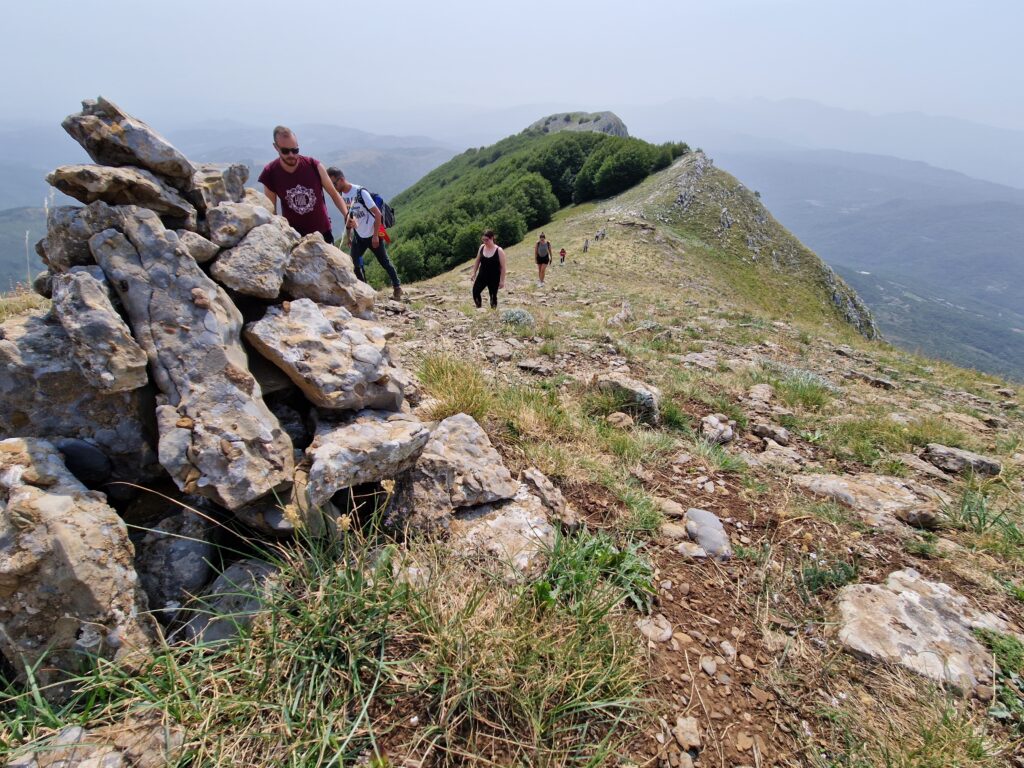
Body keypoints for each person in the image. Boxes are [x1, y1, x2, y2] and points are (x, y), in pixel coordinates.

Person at [258, 126, 349, 242]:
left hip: (323, 234)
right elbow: (272, 211)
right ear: (276, 147)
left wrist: (346, 215)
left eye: (295, 150)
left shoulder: (314, 166)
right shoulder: (270, 173)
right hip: (295, 238)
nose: (291, 155)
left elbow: (334, 194)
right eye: (285, 151)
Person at [327, 168, 402, 300]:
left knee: (384, 262)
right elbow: (350, 215)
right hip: (359, 236)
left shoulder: (360, 192)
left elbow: (377, 214)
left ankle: (397, 287)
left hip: (373, 235)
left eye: (334, 184)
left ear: (341, 180)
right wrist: (349, 235)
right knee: (354, 262)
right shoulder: (343, 195)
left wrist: (375, 236)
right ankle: (364, 292)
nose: (333, 187)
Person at [471, 230, 506, 309]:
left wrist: (502, 281)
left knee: (493, 296)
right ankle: (479, 308)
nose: (485, 242)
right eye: (483, 240)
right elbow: (477, 261)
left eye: (487, 240)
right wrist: (474, 273)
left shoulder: (499, 251)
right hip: (482, 275)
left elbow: (503, 267)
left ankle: (493, 312)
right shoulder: (482, 247)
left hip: (494, 277)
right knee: (475, 292)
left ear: (492, 238)